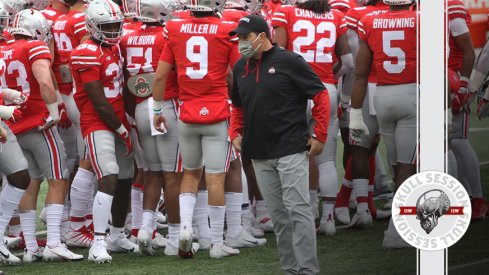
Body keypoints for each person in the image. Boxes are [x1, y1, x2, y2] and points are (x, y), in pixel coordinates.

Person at [229, 14, 330, 275]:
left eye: (245, 37)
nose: (240, 42)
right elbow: (238, 106)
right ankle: (290, 269)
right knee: (279, 218)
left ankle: (308, 270)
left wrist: (319, 135)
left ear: (262, 36)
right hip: (260, 153)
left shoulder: (289, 61)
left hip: (291, 149)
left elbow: (320, 95)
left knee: (298, 211)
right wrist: (234, 132)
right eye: (238, 37)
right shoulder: (241, 67)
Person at [152, 0, 241, 259]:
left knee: (190, 173)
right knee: (215, 177)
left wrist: (157, 111)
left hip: (187, 111)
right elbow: (238, 74)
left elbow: (159, 76)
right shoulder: (226, 28)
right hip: (217, 111)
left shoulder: (176, 28)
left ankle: (185, 228)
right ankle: (215, 243)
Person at [2, 9, 82, 262]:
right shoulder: (35, 47)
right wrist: (53, 112)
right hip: (38, 124)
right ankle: (54, 243)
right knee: (59, 178)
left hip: (13, 125)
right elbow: (45, 82)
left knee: (29, 180)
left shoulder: (3, 49)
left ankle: (31, 248)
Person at [272, 0, 354, 235]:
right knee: (326, 158)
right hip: (324, 89)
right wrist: (328, 77)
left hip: (293, 91)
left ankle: (304, 212)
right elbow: (348, 62)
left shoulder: (286, 12)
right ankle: (328, 218)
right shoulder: (336, 15)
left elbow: (278, 55)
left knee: (293, 155)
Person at [70, 0, 139, 263]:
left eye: (115, 25)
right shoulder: (84, 51)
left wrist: (128, 122)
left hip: (118, 118)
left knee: (124, 179)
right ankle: (97, 242)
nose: (113, 30)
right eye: (107, 26)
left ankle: (117, 235)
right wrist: (122, 129)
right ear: (92, 26)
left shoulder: (113, 48)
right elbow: (98, 101)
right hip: (98, 121)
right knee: (108, 177)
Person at [349, 0, 416, 248]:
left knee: (397, 162)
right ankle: (397, 231)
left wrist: (355, 112)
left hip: (382, 96)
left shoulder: (368, 21)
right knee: (407, 165)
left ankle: (389, 221)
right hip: (411, 93)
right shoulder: (420, 20)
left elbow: (360, 72)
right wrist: (444, 110)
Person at [120, 0, 184, 256]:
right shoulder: (167, 35)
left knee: (151, 172)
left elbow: (125, 78)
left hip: (139, 107)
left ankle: (145, 229)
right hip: (164, 106)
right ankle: (176, 237)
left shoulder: (127, 37)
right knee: (172, 175)